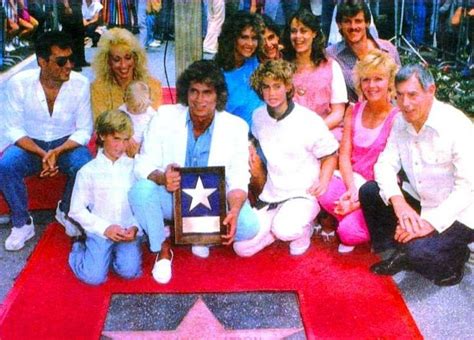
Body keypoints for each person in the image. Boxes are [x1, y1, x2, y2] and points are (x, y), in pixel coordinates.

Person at [129, 60, 259, 284]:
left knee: (248, 226)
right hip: (172, 197)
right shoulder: (164, 117)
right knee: (140, 192)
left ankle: (194, 233)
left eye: (207, 93)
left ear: (218, 96)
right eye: (194, 92)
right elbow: (142, 164)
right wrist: (162, 178)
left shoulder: (236, 127)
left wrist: (235, 209)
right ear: (185, 93)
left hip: (212, 203)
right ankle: (163, 246)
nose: (200, 100)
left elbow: (239, 177)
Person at [359, 64, 474, 286]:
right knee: (370, 191)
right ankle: (400, 250)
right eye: (400, 95)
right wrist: (399, 203)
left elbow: (468, 188)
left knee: (419, 254)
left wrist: (428, 223)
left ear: (431, 91)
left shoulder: (456, 125)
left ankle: (454, 256)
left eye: (413, 95)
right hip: (423, 201)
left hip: (461, 212)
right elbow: (384, 164)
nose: (405, 104)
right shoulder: (400, 121)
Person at [234, 59, 339, 257]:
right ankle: (274, 232)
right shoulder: (258, 116)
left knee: (286, 229)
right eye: (266, 87)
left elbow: (330, 154)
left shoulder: (308, 120)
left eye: (277, 86)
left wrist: (323, 182)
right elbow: (256, 141)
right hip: (272, 194)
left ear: (288, 87)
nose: (271, 93)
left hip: (303, 193)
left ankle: (301, 229)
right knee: (242, 249)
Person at [0, 31, 93, 251]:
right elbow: (13, 128)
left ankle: (67, 209)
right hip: (30, 144)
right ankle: (22, 223)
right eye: (61, 61)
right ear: (42, 62)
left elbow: (84, 129)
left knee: (85, 165)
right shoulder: (19, 83)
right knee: (5, 166)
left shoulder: (80, 84)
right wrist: (43, 154)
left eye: (72, 59)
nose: (69, 65)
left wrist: (58, 151)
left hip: (66, 143)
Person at [318, 50, 399, 253]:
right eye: (366, 80)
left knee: (348, 233)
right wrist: (352, 189)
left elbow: (392, 174)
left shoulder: (397, 117)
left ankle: (347, 218)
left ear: (389, 82)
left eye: (378, 79)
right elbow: (344, 155)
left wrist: (357, 202)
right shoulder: (353, 110)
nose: (371, 86)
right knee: (322, 192)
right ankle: (345, 214)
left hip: (376, 191)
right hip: (351, 180)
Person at [68, 110, 142, 285]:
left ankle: (112, 255)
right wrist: (104, 228)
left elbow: (143, 203)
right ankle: (79, 248)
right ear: (101, 135)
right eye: (116, 139)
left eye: (125, 140)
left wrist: (135, 227)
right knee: (93, 278)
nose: (121, 146)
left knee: (129, 271)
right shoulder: (88, 171)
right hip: (100, 231)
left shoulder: (135, 167)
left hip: (127, 230)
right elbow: (76, 210)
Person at [282, 8, 348, 140]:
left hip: (325, 132)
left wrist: (313, 132)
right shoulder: (282, 67)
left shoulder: (331, 66)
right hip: (289, 135)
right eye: (294, 31)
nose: (298, 36)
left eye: (304, 31)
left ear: (314, 33)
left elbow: (338, 112)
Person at [326, 1, 401, 103]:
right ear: (339, 25)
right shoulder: (331, 55)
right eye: (347, 21)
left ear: (367, 23)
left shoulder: (388, 49)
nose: (353, 26)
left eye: (358, 21)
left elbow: (400, 87)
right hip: (352, 115)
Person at [90, 27, 162, 122]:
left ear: (136, 58)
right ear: (107, 61)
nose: (123, 65)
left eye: (128, 58)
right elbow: (101, 126)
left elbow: (156, 124)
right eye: (116, 59)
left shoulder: (152, 85)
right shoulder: (98, 88)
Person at [214, 10, 263, 128]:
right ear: (232, 38)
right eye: (244, 37)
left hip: (265, 133)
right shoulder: (217, 74)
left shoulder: (254, 61)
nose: (250, 44)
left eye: (254, 38)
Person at [118, 81, 156, 157]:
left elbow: (155, 131)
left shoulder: (151, 114)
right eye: (134, 109)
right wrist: (127, 138)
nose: (139, 111)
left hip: (144, 146)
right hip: (126, 145)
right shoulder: (122, 111)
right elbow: (116, 127)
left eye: (143, 108)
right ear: (126, 100)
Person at [58, 0, 88, 71]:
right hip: (68, 8)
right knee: (71, 38)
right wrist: (67, 6)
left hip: (76, 8)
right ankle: (73, 63)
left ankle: (81, 61)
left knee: (80, 36)